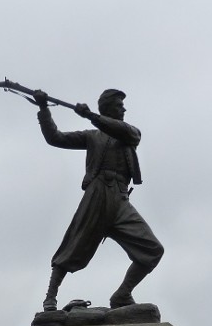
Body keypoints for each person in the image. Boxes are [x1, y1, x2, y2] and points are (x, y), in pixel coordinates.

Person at [33, 88, 163, 311]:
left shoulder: (129, 133)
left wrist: (92, 116)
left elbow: (125, 132)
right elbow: (55, 138)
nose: (124, 108)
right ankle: (50, 297)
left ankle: (122, 295)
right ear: (107, 107)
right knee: (73, 243)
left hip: (120, 199)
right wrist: (44, 108)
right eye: (119, 104)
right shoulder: (92, 136)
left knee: (152, 249)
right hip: (98, 193)